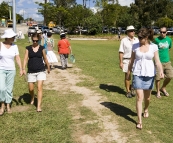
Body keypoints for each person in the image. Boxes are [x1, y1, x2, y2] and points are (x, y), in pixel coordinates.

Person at [127, 28, 164, 129]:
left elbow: (157, 61)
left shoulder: (153, 47)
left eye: (140, 38)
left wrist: (160, 70)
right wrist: (128, 73)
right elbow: (131, 60)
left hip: (149, 75)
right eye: (138, 37)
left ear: (146, 37)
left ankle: (146, 109)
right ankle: (139, 121)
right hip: (138, 74)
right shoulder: (135, 46)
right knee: (139, 98)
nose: (138, 39)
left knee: (147, 98)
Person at [23, 33, 50, 112]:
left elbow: (45, 58)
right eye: (33, 40)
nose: (35, 42)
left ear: (39, 40)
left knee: (39, 88)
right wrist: (23, 68)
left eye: (36, 41)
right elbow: (25, 59)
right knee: (31, 88)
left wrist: (48, 67)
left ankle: (38, 106)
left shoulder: (42, 48)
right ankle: (32, 97)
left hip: (41, 70)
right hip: (31, 71)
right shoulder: (28, 48)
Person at [0, 29, 23, 115]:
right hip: (1, 69)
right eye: (12, 36)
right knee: (1, 88)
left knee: (9, 89)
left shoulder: (15, 46)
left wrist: (21, 69)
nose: (14, 37)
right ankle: (2, 104)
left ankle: (8, 104)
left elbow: (17, 58)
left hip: (11, 70)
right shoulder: (0, 45)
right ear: (7, 37)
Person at [119, 25, 139, 98]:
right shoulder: (124, 40)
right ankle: (128, 91)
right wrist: (121, 62)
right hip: (127, 59)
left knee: (136, 75)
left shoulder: (137, 40)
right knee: (127, 76)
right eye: (131, 31)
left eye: (134, 30)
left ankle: (133, 87)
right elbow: (121, 52)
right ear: (127, 32)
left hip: (136, 60)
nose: (133, 32)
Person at [154, 26, 173, 98]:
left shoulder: (169, 40)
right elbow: (153, 49)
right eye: (161, 32)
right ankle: (158, 91)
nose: (162, 33)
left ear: (166, 32)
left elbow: (169, 48)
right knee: (158, 78)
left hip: (167, 61)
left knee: (170, 76)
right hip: (159, 62)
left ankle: (163, 88)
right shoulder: (156, 40)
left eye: (164, 32)